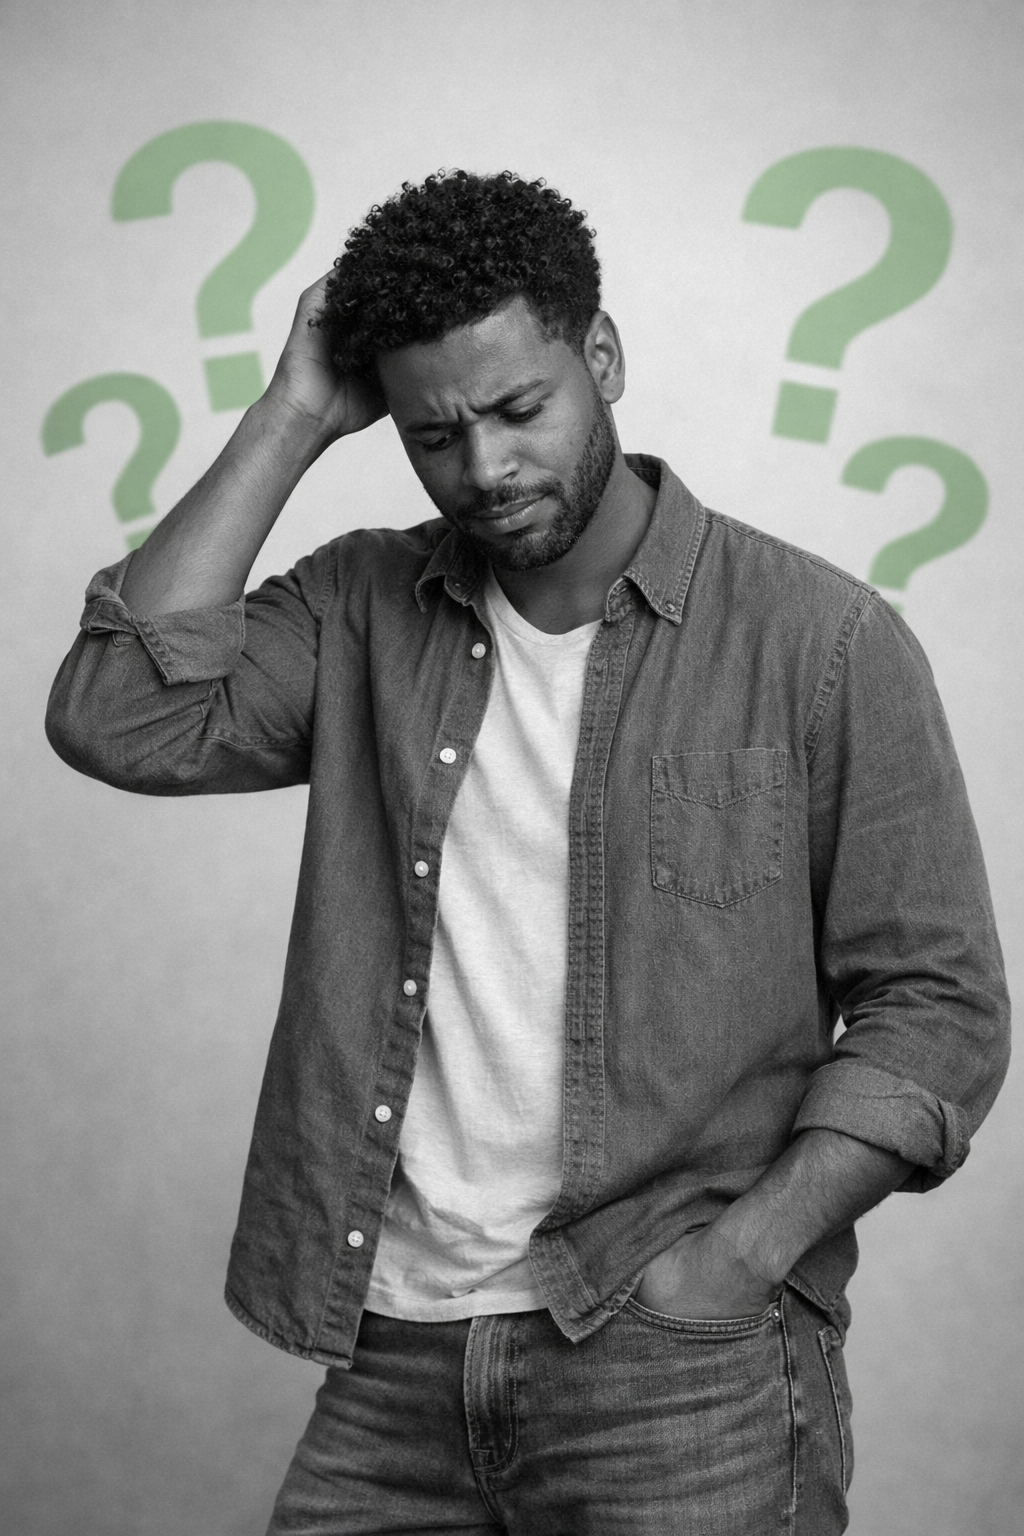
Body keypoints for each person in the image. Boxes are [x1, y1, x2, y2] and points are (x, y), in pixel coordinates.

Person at [46, 169, 1010, 1534]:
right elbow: (119, 715)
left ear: (600, 358)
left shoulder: (822, 643)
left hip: (675, 1363)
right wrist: (297, 412)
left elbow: (940, 1008)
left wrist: (742, 1259)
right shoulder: (360, 609)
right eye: (435, 434)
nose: (484, 469)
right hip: (389, 1351)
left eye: (518, 411)